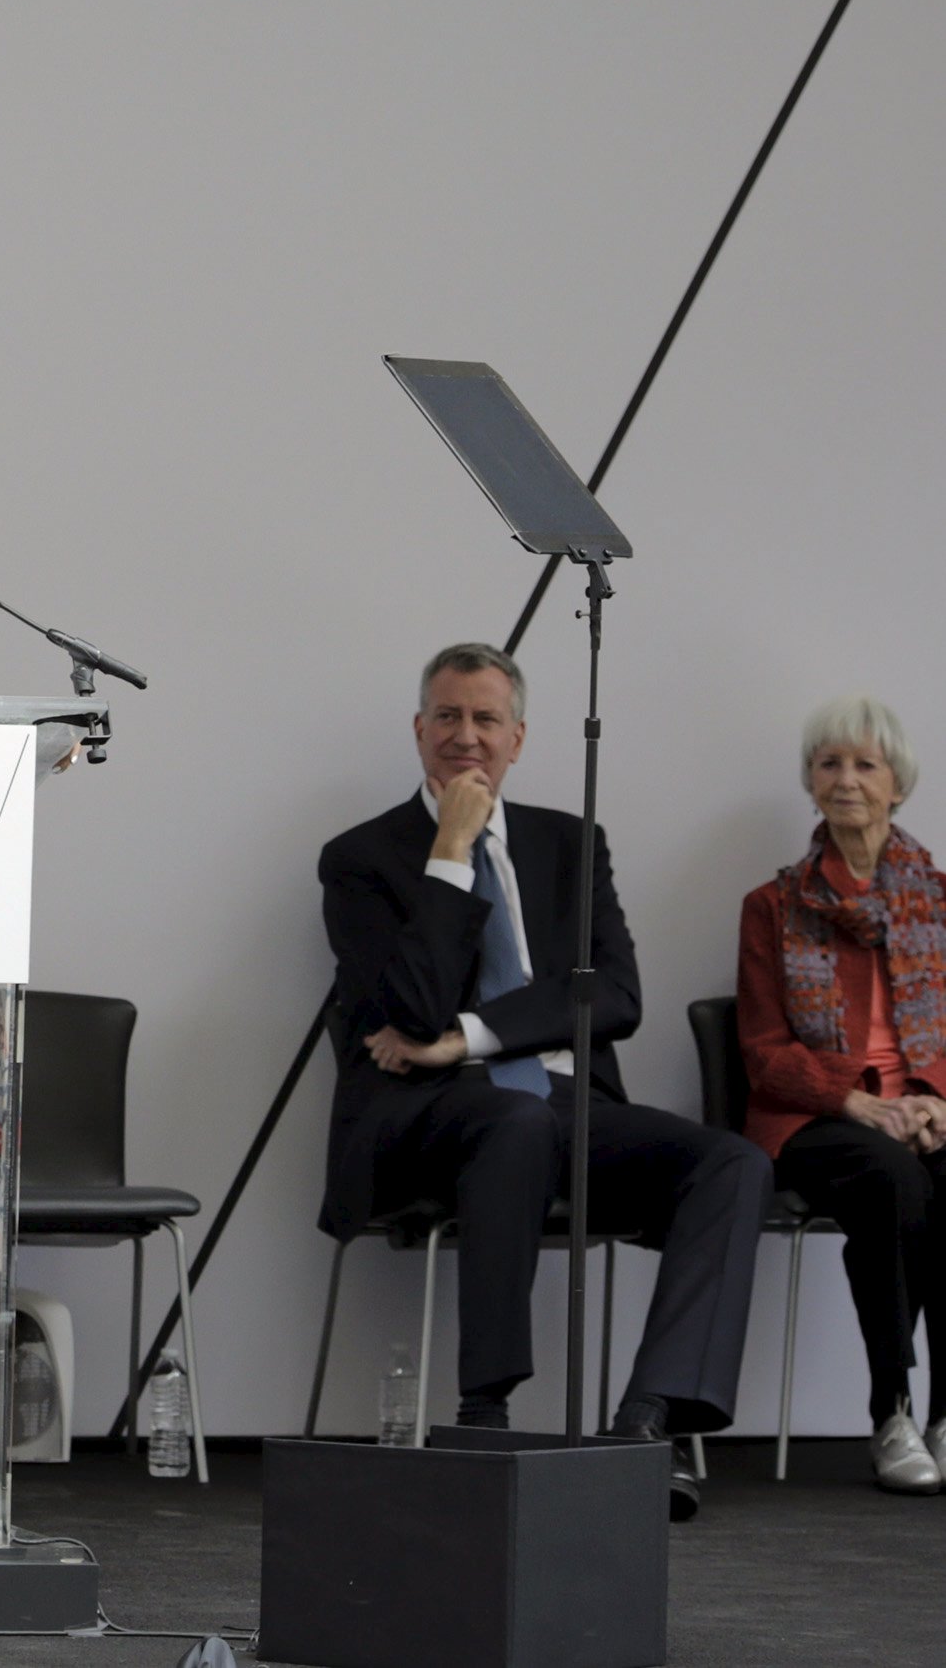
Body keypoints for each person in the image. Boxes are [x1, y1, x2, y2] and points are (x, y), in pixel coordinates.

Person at [319, 640, 766, 1513]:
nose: (465, 735)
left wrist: (472, 1033)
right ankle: (484, 1416)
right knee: (512, 1125)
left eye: (486, 718)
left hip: (567, 1102)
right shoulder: (361, 857)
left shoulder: (571, 842)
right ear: (418, 729)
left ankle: (648, 1419)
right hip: (423, 1118)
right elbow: (407, 1009)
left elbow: (619, 994)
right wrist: (451, 850)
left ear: (518, 737)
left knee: (733, 1162)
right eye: (447, 716)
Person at [735, 694, 946, 1494]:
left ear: (898, 784)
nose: (846, 779)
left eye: (866, 764)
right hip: (817, 1119)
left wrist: (933, 1101)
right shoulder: (774, 905)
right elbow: (763, 1052)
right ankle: (891, 1409)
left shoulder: (940, 898)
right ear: (811, 781)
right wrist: (862, 1103)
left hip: (924, 1111)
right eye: (830, 763)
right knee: (892, 1177)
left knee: (938, 1171)